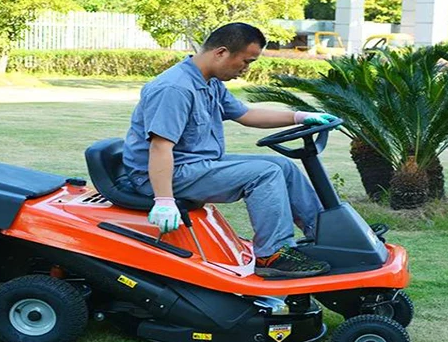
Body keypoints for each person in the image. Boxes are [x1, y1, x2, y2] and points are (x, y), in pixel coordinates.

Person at [122, 22, 338, 279]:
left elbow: (246, 114)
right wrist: (165, 201)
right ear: (221, 52)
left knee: (283, 166)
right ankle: (272, 255)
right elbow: (160, 147)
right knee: (265, 173)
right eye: (246, 62)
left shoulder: (208, 82)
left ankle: (326, 236)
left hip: (195, 165)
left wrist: (301, 117)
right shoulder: (175, 88)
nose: (246, 70)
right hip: (167, 174)